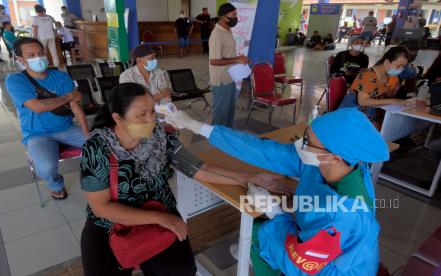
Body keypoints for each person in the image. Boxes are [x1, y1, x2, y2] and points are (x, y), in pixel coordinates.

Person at [80, 82, 282, 276]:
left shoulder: (160, 135)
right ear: (118, 118)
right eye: (141, 115)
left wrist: (247, 179)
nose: (151, 119)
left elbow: (199, 168)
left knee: (182, 271)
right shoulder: (97, 147)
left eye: (152, 111)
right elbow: (101, 208)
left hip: (159, 211)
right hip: (112, 224)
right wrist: (159, 218)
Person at [165, 107, 390, 276]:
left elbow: (303, 265)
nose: (301, 144)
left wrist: (275, 212)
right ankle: (258, 254)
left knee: (262, 232)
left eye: (309, 141)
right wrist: (198, 126)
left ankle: (261, 257)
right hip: (312, 240)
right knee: (256, 229)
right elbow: (262, 151)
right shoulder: (327, 164)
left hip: (329, 269)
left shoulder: (346, 212)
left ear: (334, 156)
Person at [5, 37, 88, 200]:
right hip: (37, 134)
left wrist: (87, 134)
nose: (38, 58)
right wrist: (69, 96)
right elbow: (38, 107)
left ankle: (101, 179)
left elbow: (76, 109)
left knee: (102, 147)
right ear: (21, 59)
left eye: (41, 53)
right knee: (46, 168)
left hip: (66, 128)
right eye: (32, 55)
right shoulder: (15, 80)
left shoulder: (61, 76)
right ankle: (56, 184)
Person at [209, 3, 249, 127]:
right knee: (220, 116)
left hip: (230, 78)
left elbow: (228, 55)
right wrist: (237, 59)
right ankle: (217, 143)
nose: (236, 17)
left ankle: (227, 141)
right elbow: (214, 61)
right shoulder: (217, 34)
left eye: (236, 14)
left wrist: (241, 60)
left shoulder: (228, 30)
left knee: (229, 114)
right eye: (233, 15)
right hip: (221, 81)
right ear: (223, 17)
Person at [350, 46, 411, 125]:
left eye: (403, 67)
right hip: (353, 112)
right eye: (398, 66)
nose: (400, 70)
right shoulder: (368, 75)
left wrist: (392, 88)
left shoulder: (387, 75)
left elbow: (388, 93)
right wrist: (394, 101)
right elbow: (362, 101)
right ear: (386, 62)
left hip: (369, 111)